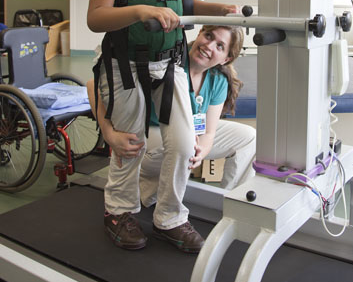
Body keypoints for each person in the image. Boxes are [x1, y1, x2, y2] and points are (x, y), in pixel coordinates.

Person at [87, 0, 241, 253]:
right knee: (131, 144)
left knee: (186, 143)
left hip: (169, 64)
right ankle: (118, 211)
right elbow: (96, 17)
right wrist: (138, 10)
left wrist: (218, 9)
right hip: (127, 66)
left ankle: (170, 216)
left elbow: (181, 7)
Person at [88, 25, 256, 202]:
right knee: (185, 142)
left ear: (226, 58)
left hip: (187, 136)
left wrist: (202, 152)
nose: (209, 45)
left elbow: (208, 132)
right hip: (150, 135)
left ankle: (231, 201)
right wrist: (108, 133)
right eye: (208, 36)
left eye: (220, 46)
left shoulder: (218, 79)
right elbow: (93, 85)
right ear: (199, 34)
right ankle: (150, 189)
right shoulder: (167, 61)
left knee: (249, 137)